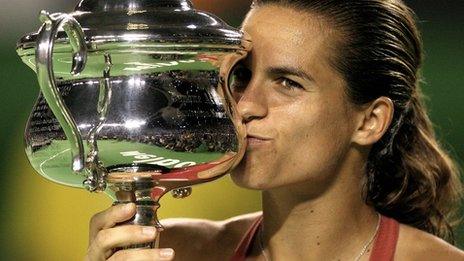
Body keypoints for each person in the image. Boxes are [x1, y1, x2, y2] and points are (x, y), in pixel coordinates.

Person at [85, 0, 464, 260]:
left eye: (287, 83)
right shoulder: (171, 250)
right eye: (242, 75)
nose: (246, 105)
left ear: (369, 121)